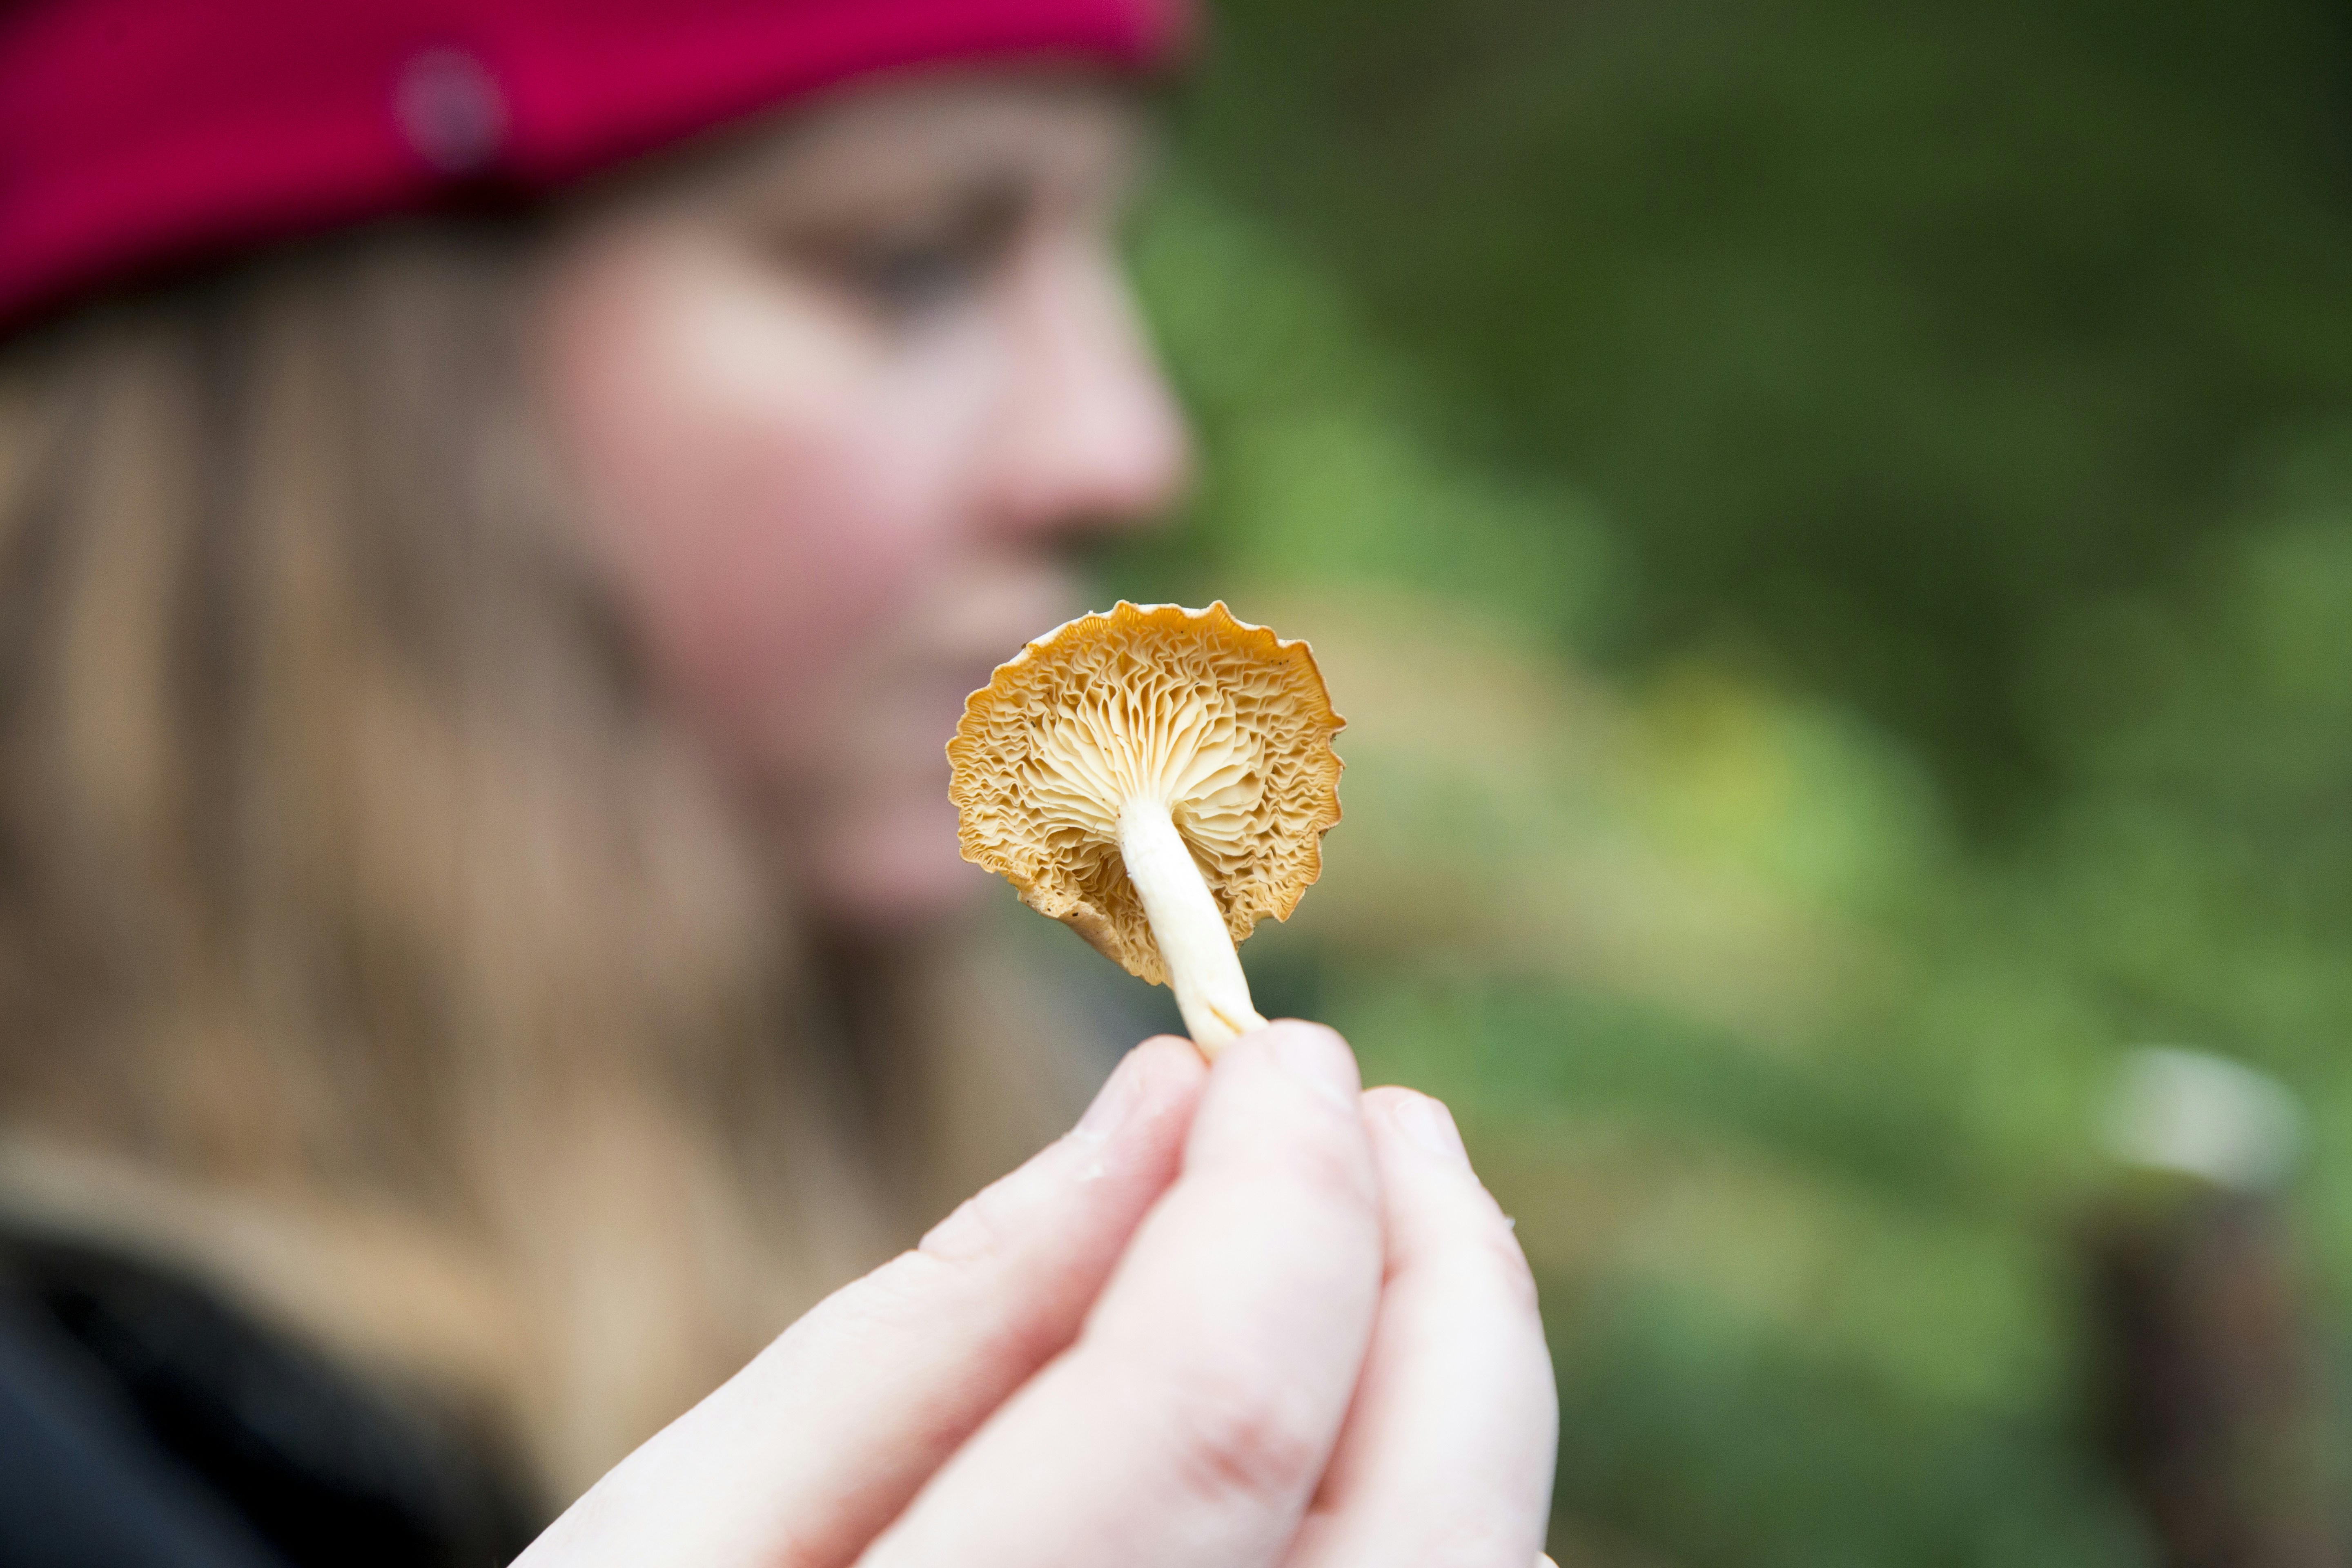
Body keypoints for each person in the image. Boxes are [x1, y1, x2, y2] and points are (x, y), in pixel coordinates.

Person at [0, 2, 1559, 1564]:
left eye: (1104, 257)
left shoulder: (1088, 1113)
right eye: (917, 259)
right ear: (354, 409)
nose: (1124, 447)